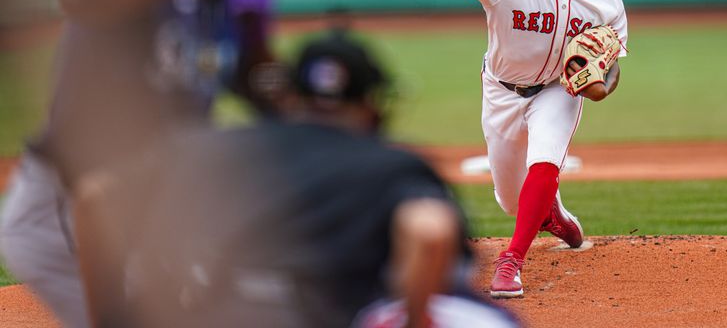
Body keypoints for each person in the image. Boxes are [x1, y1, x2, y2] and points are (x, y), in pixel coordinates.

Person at [0, 0, 277, 327]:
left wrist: (254, 34)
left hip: (155, 197)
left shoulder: (222, 0)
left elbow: (261, 95)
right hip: (68, 204)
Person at [309, 0, 628, 298]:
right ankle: (554, 215)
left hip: (557, 90)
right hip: (502, 89)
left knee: (546, 160)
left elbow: (611, 60)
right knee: (511, 201)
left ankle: (511, 262)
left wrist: (603, 87)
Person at [123, 29, 519, 328]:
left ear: (289, 96)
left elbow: (96, 198)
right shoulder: (393, 166)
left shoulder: (212, 149)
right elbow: (429, 231)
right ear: (371, 103)